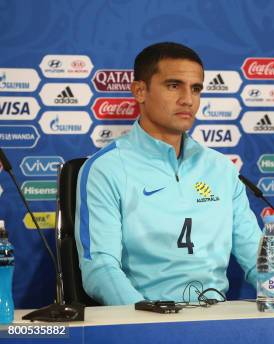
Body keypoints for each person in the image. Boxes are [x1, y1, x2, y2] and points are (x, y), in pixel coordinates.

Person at [75, 42, 262, 305]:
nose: (188, 99)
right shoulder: (105, 168)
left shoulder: (221, 168)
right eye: (174, 86)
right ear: (140, 91)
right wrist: (148, 321)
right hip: (144, 322)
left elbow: (259, 260)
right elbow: (101, 268)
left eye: (196, 89)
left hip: (218, 320)